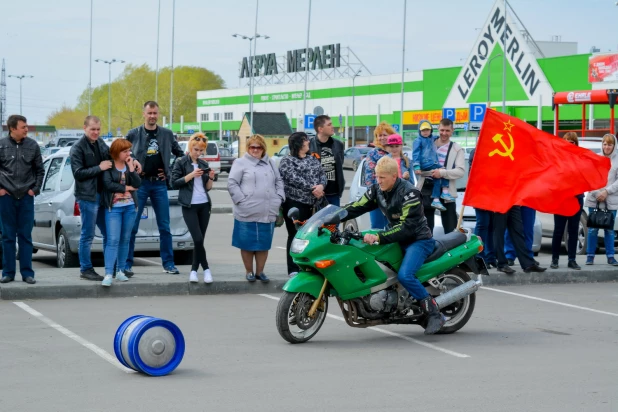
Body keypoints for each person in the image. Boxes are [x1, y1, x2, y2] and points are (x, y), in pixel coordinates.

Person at [342, 157, 445, 335]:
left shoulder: (410, 193)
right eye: (376, 176)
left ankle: (435, 313)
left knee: (405, 275)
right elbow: (356, 207)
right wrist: (329, 218)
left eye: (382, 177)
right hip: (396, 238)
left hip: (417, 240)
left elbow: (406, 228)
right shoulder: (377, 189)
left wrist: (378, 237)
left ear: (393, 176)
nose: (378, 180)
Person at [125, 101, 184, 275]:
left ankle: (168, 263)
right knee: (132, 226)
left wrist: (171, 173)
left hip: (159, 184)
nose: (152, 116)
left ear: (158, 114)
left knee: (164, 226)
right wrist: (131, 163)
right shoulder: (133, 134)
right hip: (139, 184)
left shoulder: (166, 134)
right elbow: (121, 153)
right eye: (149, 113)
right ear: (143, 113)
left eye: (155, 113)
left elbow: (180, 155)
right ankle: (127, 263)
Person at [227, 134, 285, 282]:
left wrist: (278, 199)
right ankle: (249, 271)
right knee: (247, 244)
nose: (255, 150)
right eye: (252, 147)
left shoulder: (270, 163)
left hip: (268, 210)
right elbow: (232, 183)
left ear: (263, 148)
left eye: (258, 147)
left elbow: (279, 181)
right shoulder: (240, 163)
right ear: (248, 148)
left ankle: (260, 272)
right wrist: (241, 200)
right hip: (247, 210)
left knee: (263, 244)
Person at [0, 115, 44, 285]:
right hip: (6, 198)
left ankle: (27, 273)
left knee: (25, 236)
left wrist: (34, 190)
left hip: (26, 197)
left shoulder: (32, 146)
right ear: (12, 128)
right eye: (23, 127)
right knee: (7, 236)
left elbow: (40, 171)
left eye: (27, 126)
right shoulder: (2, 145)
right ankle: (8, 273)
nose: (26, 129)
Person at [279, 132, 327, 278]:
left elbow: (322, 175)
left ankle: (309, 266)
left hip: (313, 204)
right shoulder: (287, 161)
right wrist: (314, 188)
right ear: (299, 143)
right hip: (295, 203)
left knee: (311, 236)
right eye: (306, 140)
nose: (308, 142)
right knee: (295, 235)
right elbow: (294, 179)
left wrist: (321, 186)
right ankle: (293, 268)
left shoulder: (312, 159)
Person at [172, 133, 217, 283]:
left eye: (200, 150)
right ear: (190, 147)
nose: (198, 153)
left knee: (200, 240)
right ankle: (206, 269)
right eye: (196, 149)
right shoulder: (181, 162)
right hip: (189, 205)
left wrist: (210, 177)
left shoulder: (203, 164)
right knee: (197, 239)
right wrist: (191, 175)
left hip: (204, 205)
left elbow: (207, 188)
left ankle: (193, 271)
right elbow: (174, 182)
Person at [71, 116, 110, 280]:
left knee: (109, 233)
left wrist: (131, 159)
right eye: (92, 129)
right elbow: (78, 173)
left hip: (103, 195)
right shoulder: (77, 148)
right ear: (84, 128)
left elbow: (112, 158)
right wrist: (99, 168)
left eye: (98, 129)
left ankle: (111, 267)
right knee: (88, 234)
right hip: (87, 196)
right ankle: (85, 269)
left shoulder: (101, 143)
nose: (96, 132)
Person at [100, 139, 141, 287]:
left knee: (125, 239)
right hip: (114, 208)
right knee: (113, 240)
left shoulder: (129, 166)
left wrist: (131, 167)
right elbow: (108, 185)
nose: (128, 153)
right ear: (117, 152)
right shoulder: (109, 167)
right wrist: (125, 188)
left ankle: (121, 271)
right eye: (125, 151)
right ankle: (108, 273)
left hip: (130, 207)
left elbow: (137, 184)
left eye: (129, 151)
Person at [416, 118, 465, 234]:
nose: (444, 133)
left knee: (450, 230)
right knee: (425, 230)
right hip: (426, 190)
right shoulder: (427, 142)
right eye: (442, 130)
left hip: (447, 192)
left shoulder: (457, 149)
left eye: (447, 131)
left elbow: (461, 171)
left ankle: (450, 252)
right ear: (437, 128)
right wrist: (431, 172)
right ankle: (428, 251)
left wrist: (442, 173)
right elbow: (418, 165)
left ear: (452, 130)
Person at [550, 132, 584, 270]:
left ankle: (572, 259)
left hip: (576, 198)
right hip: (561, 200)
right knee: (558, 230)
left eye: (573, 142)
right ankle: (555, 259)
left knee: (573, 230)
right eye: (567, 142)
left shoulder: (581, 158)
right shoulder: (557, 158)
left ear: (576, 144)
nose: (570, 144)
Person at [584, 133, 618, 266]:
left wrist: (606, 191)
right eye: (605, 144)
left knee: (609, 229)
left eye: (610, 144)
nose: (607, 147)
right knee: (593, 229)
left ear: (614, 146)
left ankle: (610, 256)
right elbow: (589, 178)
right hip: (595, 199)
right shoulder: (596, 158)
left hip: (611, 199)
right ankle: (590, 256)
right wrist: (598, 192)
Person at [412, 120, 454, 211]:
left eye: (427, 130)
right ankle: (444, 192)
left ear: (431, 130)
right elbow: (415, 154)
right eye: (423, 130)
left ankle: (436, 199)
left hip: (433, 162)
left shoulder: (432, 138)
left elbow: (441, 137)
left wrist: (444, 135)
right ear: (419, 131)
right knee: (443, 171)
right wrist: (416, 166)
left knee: (440, 175)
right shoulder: (418, 140)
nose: (425, 132)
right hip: (426, 163)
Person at [494, 206, 546, 274]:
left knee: (518, 232)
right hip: (500, 202)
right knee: (499, 233)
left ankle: (527, 264)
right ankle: (502, 264)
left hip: (514, 202)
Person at [469, 148, 497, 268]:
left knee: (491, 226)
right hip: (480, 194)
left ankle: (490, 257)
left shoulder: (495, 150)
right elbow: (474, 173)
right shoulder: (477, 151)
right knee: (482, 225)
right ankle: (479, 256)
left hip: (493, 193)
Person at [364, 122, 394, 229]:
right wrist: (376, 195)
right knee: (378, 229)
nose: (381, 138)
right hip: (378, 198)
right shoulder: (373, 154)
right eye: (379, 135)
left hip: (395, 198)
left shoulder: (396, 152)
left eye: (384, 135)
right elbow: (370, 177)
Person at [310, 115, 345, 206]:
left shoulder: (338, 144)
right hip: (316, 194)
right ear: (320, 129)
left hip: (334, 194)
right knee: (317, 220)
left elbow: (340, 164)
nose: (332, 126)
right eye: (329, 125)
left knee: (334, 220)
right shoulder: (309, 146)